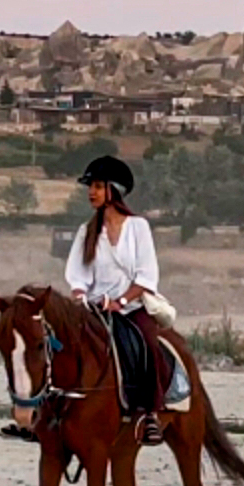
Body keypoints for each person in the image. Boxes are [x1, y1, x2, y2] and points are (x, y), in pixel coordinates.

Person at [65, 155, 169, 445]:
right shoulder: (86, 232)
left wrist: (120, 302)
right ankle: (45, 411)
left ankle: (150, 413)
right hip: (94, 309)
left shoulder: (138, 227)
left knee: (148, 343)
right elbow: (78, 276)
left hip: (130, 307)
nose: (91, 192)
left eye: (98, 186)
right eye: (91, 187)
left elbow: (146, 276)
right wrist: (80, 296)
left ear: (114, 190)